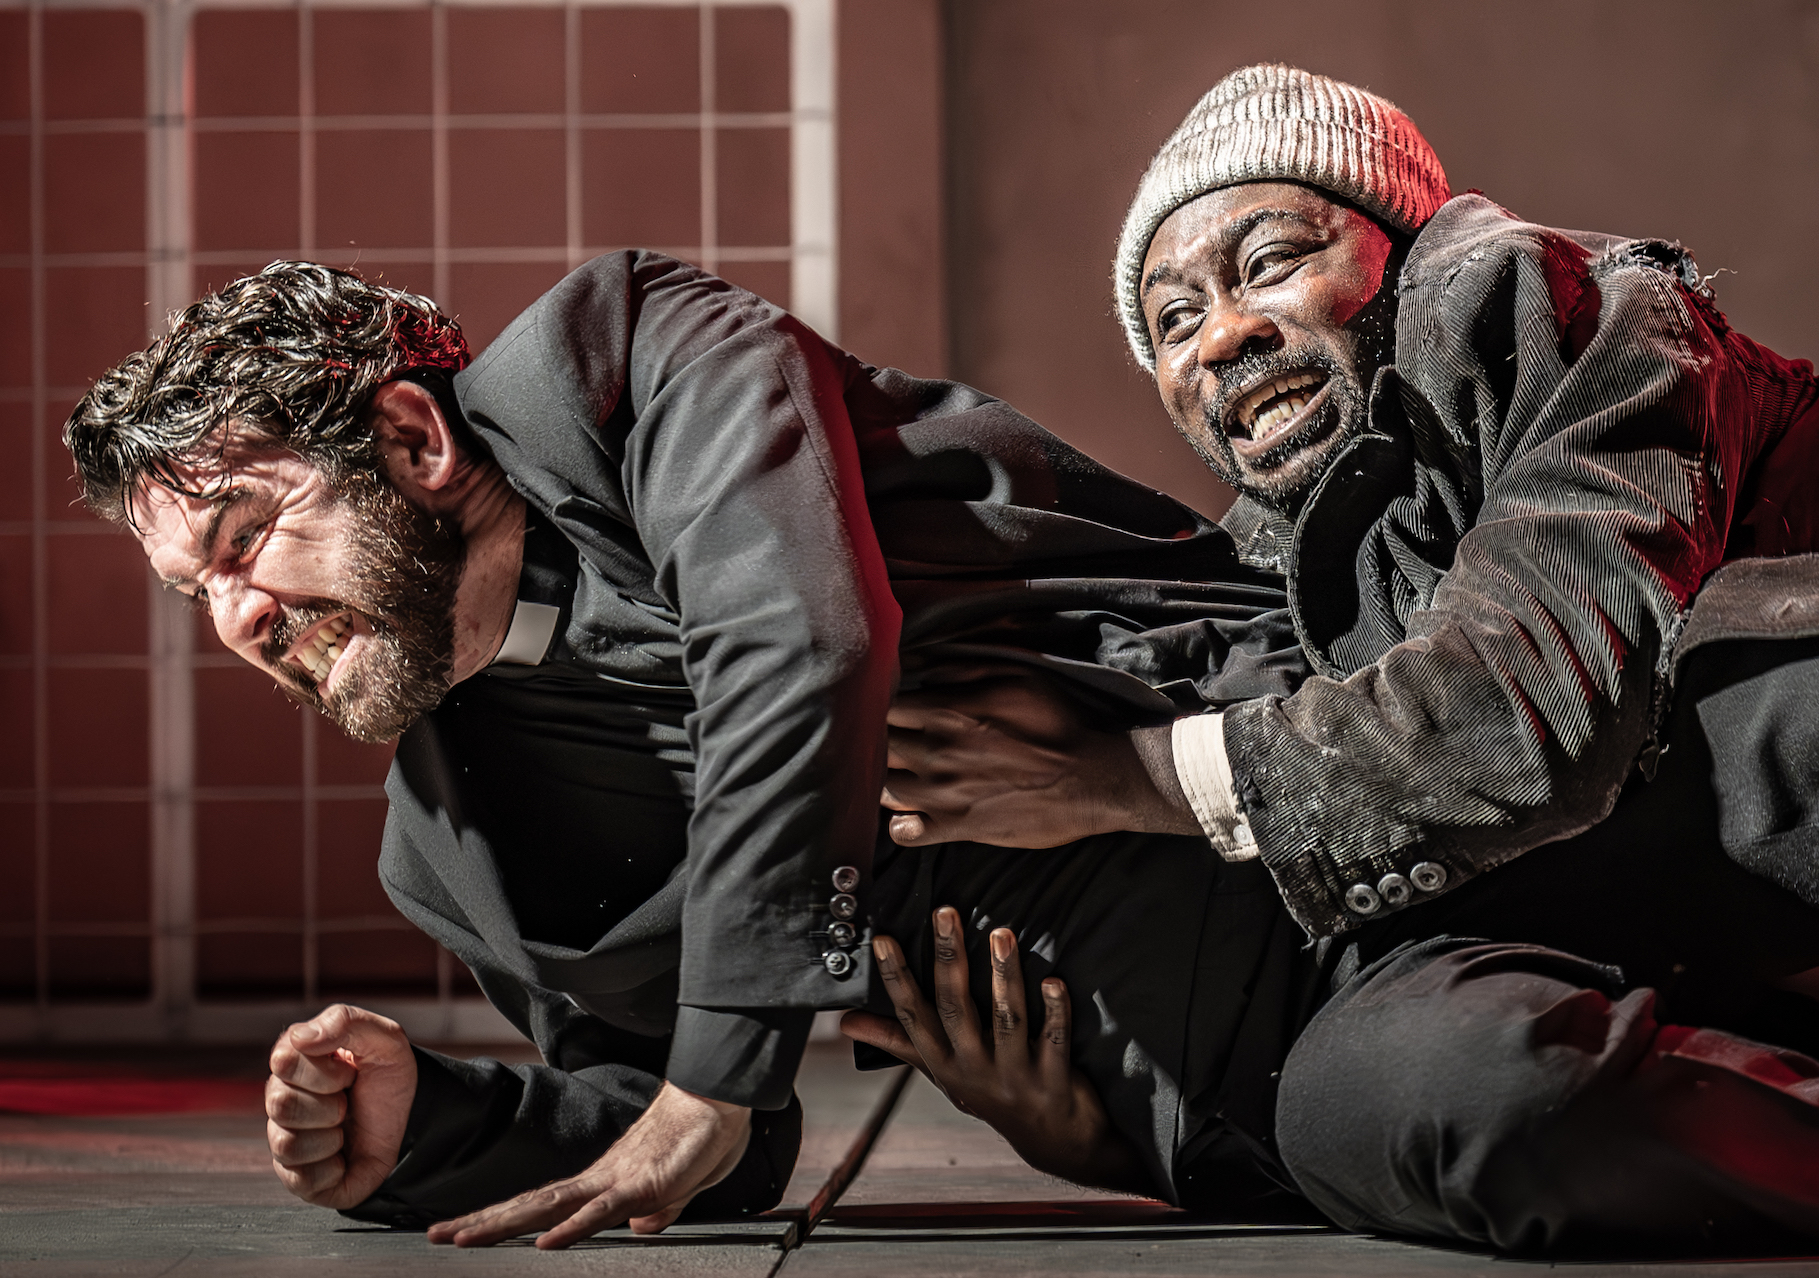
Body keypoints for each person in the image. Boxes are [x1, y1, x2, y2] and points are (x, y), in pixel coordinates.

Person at [64, 254, 1306, 1244]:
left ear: (411, 442)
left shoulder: (624, 359)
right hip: (1228, 1143)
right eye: (196, 594)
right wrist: (431, 1127)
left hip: (1319, 850)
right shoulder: (447, 853)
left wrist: (713, 1081)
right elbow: (709, 1147)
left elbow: (792, 643)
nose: (237, 619)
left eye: (241, 540)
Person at [871, 64, 1819, 1252]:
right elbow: (1354, 938)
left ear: (1402, 247)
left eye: (1271, 261)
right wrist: (1139, 1138)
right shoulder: (1277, 567)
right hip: (1685, 949)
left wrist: (1126, 775)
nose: (1224, 334)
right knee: (1409, 1091)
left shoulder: (1543, 303)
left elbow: (1525, 707)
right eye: (1172, 322)